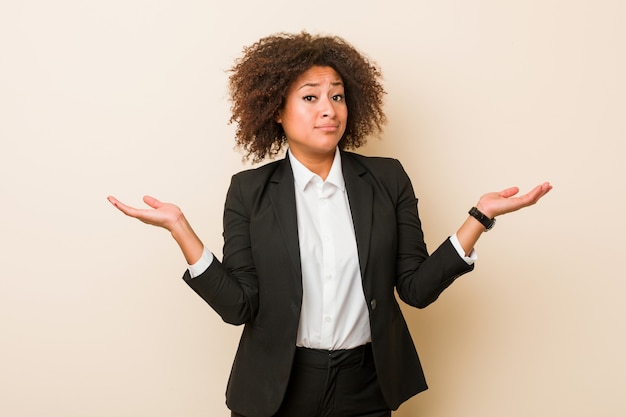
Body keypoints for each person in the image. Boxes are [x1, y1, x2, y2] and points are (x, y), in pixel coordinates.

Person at [107, 31, 552, 417]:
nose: (329, 109)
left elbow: (416, 289)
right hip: (276, 390)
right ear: (276, 111)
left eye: (337, 96)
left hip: (366, 386)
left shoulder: (387, 178)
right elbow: (238, 306)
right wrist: (180, 228)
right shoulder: (248, 191)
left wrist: (479, 218)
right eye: (310, 96)